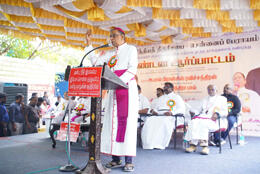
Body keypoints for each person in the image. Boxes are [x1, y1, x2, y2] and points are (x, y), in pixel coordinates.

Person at [85, 27, 139, 172]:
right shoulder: (110, 53)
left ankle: (129, 161)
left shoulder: (131, 49)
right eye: (110, 36)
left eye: (114, 36)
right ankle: (116, 159)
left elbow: (132, 69)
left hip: (126, 89)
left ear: (123, 37)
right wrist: (88, 44)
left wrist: (117, 81)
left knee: (126, 124)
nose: (112, 39)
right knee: (112, 123)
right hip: (113, 90)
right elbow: (95, 61)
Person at [185, 85, 228, 155]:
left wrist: (217, 114)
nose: (210, 91)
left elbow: (225, 112)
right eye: (209, 90)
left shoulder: (222, 99)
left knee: (203, 124)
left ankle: (205, 147)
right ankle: (193, 145)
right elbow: (198, 110)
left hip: (216, 120)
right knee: (193, 122)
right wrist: (193, 112)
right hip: (203, 117)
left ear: (216, 91)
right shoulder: (204, 99)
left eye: (212, 90)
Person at [141, 82, 186, 150]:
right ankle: (149, 144)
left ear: (172, 89)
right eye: (164, 87)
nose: (165, 88)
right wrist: (155, 111)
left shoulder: (176, 97)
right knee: (150, 120)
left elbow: (181, 108)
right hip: (159, 115)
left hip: (170, 116)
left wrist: (172, 112)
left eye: (167, 87)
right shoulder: (161, 98)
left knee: (164, 122)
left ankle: (159, 144)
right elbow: (157, 107)